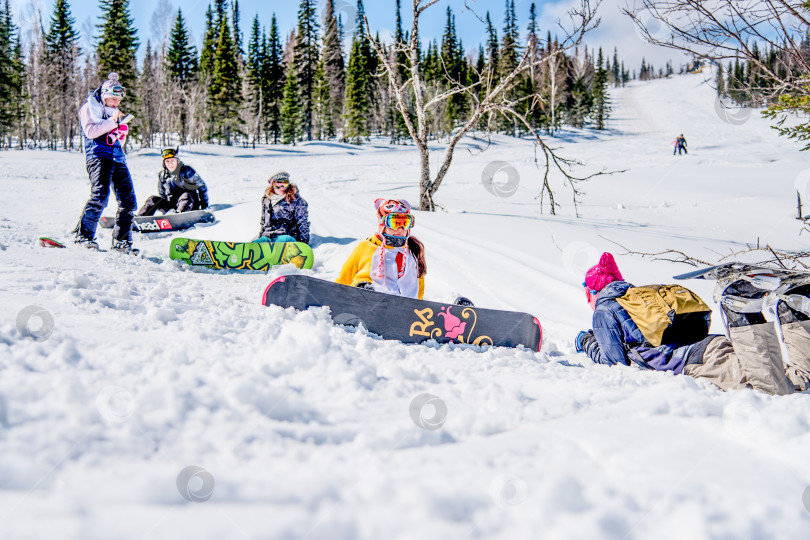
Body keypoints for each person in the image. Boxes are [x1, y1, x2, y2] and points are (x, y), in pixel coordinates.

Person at [575, 252, 794, 395]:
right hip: (712, 345)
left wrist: (586, 342)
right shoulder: (639, 296)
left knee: (770, 392)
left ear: (593, 291)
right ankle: (798, 312)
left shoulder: (604, 309)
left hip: (698, 360)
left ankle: (741, 304)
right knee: (793, 381)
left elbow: (615, 363)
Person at [73, 72, 137, 253]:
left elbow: (117, 142)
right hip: (98, 157)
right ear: (103, 96)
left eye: (118, 100)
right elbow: (91, 132)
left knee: (128, 201)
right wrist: (112, 122)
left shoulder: (113, 113)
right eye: (112, 99)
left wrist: (121, 132)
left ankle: (122, 242)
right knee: (100, 196)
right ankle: (83, 236)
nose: (116, 103)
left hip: (118, 157)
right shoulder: (89, 108)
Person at [336, 199, 427, 299]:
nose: (400, 228)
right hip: (365, 301)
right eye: (394, 222)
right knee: (366, 283)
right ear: (383, 224)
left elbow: (418, 289)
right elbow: (344, 278)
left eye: (405, 222)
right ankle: (364, 291)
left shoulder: (413, 253)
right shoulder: (365, 247)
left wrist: (418, 307)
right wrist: (333, 294)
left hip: (400, 306)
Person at [137, 147, 209, 216]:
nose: (170, 164)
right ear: (164, 163)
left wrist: (204, 205)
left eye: (172, 161)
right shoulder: (162, 175)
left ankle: (179, 216)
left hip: (189, 205)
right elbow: (162, 194)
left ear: (177, 161)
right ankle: (140, 219)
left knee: (185, 195)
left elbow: (202, 187)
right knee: (152, 199)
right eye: (167, 161)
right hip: (172, 208)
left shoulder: (187, 171)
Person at [256, 170, 310, 244]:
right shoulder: (267, 200)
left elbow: (302, 222)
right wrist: (262, 236)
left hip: (288, 235)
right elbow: (264, 221)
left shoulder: (296, 200)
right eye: (278, 184)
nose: (282, 187)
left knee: (283, 241)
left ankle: (277, 251)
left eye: (285, 183)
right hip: (268, 235)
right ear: (272, 185)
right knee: (258, 242)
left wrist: (303, 241)